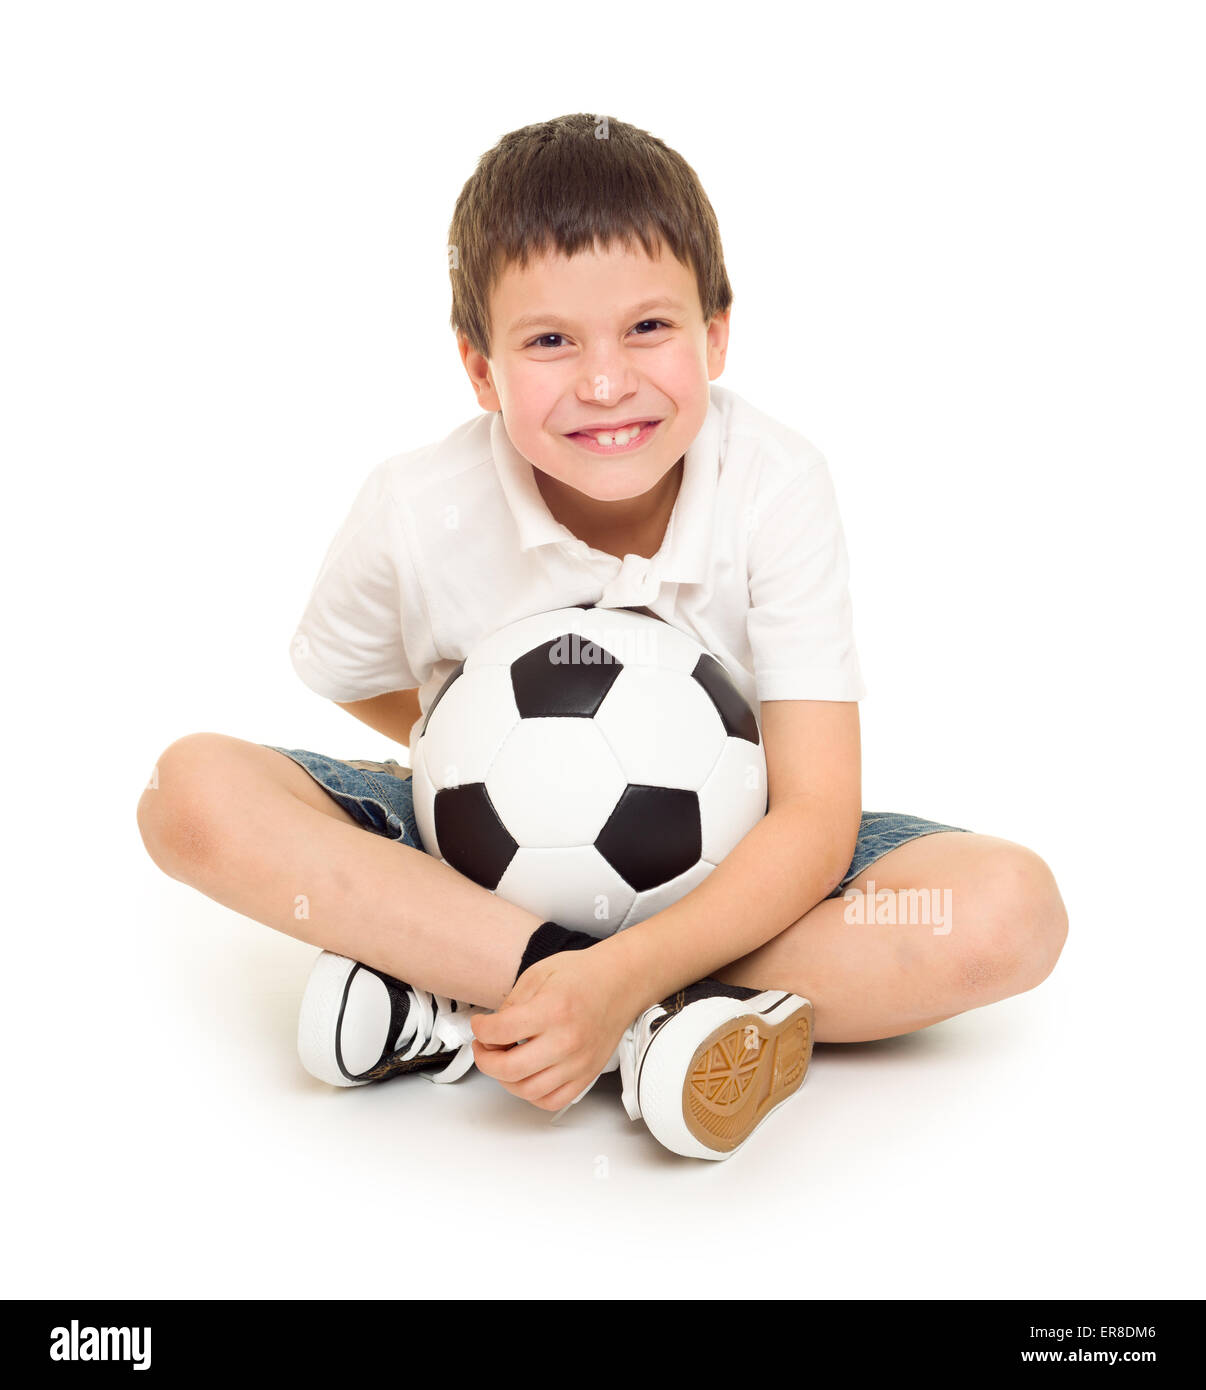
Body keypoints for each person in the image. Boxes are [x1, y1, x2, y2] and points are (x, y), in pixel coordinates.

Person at [136, 112, 1068, 1161]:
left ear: (717, 334)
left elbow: (814, 814)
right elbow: (348, 670)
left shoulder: (775, 483)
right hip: (477, 864)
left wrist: (623, 963)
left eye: (648, 329)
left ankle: (468, 992)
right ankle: (637, 1018)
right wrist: (483, 758)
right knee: (189, 794)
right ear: (480, 369)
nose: (605, 382)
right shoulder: (419, 507)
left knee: (1004, 913)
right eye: (547, 342)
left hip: (740, 870)